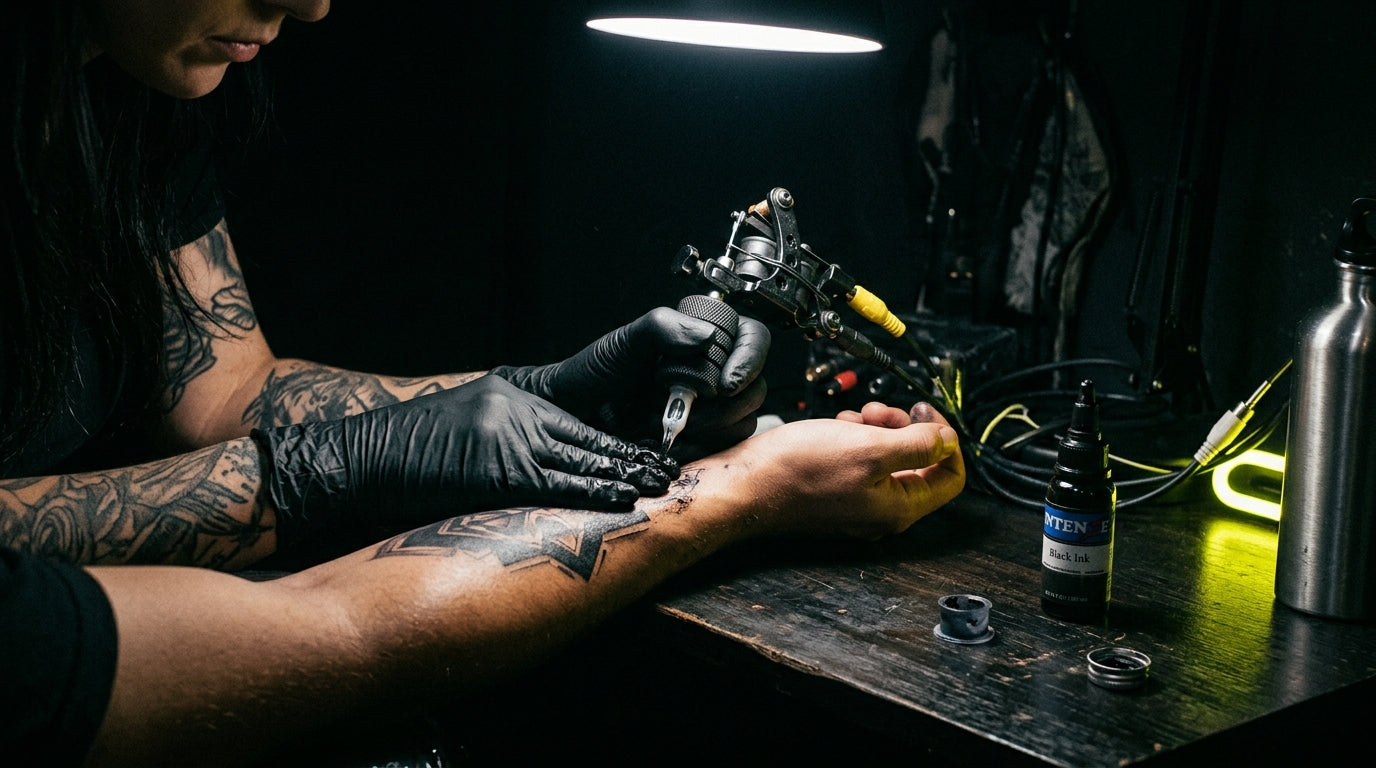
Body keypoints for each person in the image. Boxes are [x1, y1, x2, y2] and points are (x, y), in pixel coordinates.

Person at [0, 2, 968, 766]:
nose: (310, 4)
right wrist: (745, 491)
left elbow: (225, 394)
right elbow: (338, 634)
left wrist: (554, 393)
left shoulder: (117, 97)